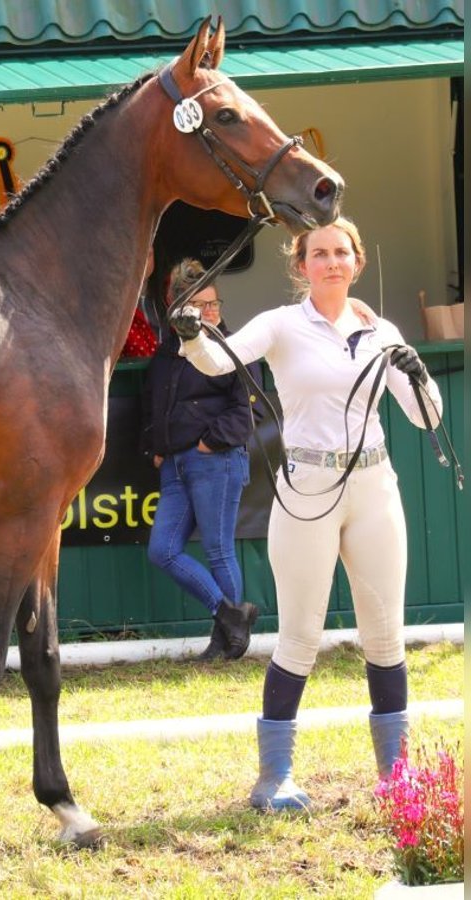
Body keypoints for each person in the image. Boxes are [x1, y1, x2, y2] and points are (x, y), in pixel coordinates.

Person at [169, 217, 443, 811]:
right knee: (300, 637)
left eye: (341, 252)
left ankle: (395, 777)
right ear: (302, 266)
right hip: (308, 489)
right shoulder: (280, 325)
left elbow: (426, 417)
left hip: (374, 485)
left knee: (385, 635)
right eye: (319, 254)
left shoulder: (381, 330)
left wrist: (419, 374)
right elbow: (220, 362)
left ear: (358, 262)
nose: (332, 262)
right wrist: (193, 335)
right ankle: (274, 779)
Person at [142, 259, 260, 661]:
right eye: (200, 306)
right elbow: (154, 404)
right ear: (178, 308)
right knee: (163, 550)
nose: (211, 313)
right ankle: (231, 616)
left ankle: (226, 644)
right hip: (175, 465)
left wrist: (210, 444)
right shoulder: (166, 353)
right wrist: (159, 447)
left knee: (218, 549)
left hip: (216, 460)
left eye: (214, 304)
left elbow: (248, 412)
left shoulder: (235, 347)